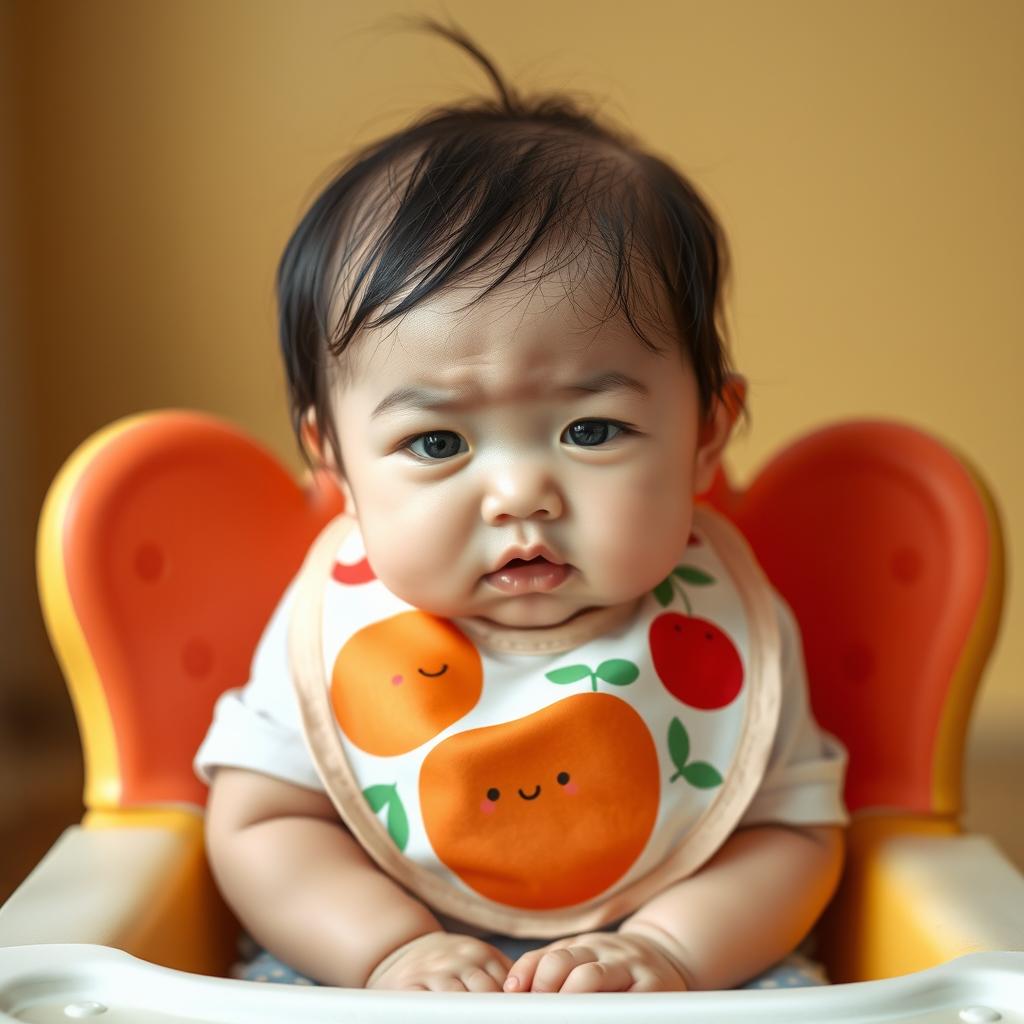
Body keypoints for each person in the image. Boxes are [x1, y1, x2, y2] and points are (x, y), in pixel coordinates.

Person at [194, 19, 847, 994]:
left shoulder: (720, 622)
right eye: (437, 443)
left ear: (707, 431)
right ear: (334, 462)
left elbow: (790, 832)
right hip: (372, 972)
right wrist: (384, 947)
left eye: (589, 430)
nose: (519, 494)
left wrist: (671, 948)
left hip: (675, 976)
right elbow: (260, 820)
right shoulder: (337, 620)